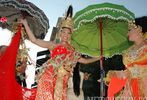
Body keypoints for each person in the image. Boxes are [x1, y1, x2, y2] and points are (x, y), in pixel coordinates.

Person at [18, 6, 99, 100]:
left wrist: (99, 57)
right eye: (64, 32)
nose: (66, 35)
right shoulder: (53, 45)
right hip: (48, 79)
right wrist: (25, 24)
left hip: (63, 82)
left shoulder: (72, 50)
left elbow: (84, 61)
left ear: (70, 35)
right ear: (60, 34)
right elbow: (34, 40)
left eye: (68, 33)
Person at [106, 20, 147, 100]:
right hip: (130, 89)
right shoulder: (128, 50)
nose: (127, 33)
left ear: (139, 29)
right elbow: (129, 71)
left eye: (129, 30)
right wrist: (116, 74)